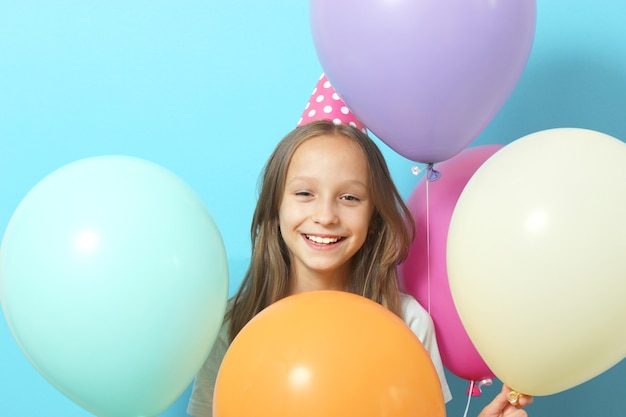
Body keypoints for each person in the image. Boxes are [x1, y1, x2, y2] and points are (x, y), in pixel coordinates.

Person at [187, 119, 533, 417]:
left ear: (374, 217)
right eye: (305, 193)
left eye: (350, 197)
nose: (325, 216)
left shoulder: (407, 323)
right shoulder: (234, 327)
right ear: (275, 207)